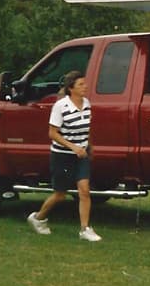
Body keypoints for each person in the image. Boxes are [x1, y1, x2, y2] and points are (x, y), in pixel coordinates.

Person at [27, 70, 102, 241]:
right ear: (71, 88)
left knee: (84, 190)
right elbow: (52, 133)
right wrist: (73, 147)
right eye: (81, 85)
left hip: (81, 156)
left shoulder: (87, 103)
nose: (85, 87)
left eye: (85, 84)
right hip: (62, 156)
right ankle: (38, 218)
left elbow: (86, 128)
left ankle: (85, 229)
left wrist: (88, 146)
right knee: (60, 194)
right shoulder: (61, 106)